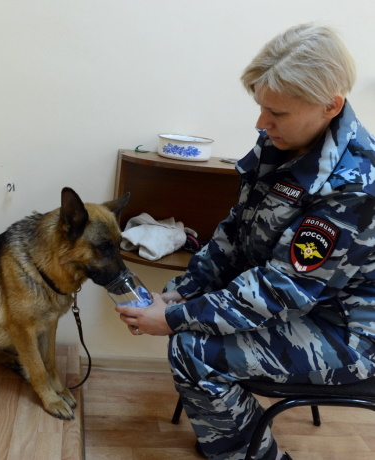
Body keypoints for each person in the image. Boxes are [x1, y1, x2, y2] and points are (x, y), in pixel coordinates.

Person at [116, 23, 375, 460]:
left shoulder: (355, 185)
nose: (261, 123)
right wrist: (183, 292)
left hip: (346, 332)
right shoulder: (280, 143)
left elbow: (280, 289)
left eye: (277, 113)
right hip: (295, 305)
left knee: (193, 347)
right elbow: (236, 231)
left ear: (330, 106)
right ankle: (230, 437)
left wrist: (176, 318)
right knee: (185, 316)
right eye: (260, 108)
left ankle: (248, 454)